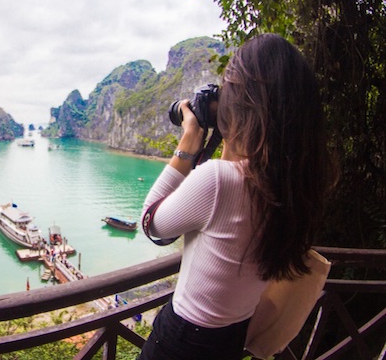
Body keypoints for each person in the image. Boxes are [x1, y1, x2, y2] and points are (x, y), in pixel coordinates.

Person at [137, 34, 335, 360]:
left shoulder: (220, 180)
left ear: (241, 104)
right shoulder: (295, 186)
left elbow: (152, 224)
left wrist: (188, 145)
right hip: (232, 339)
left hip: (181, 341)